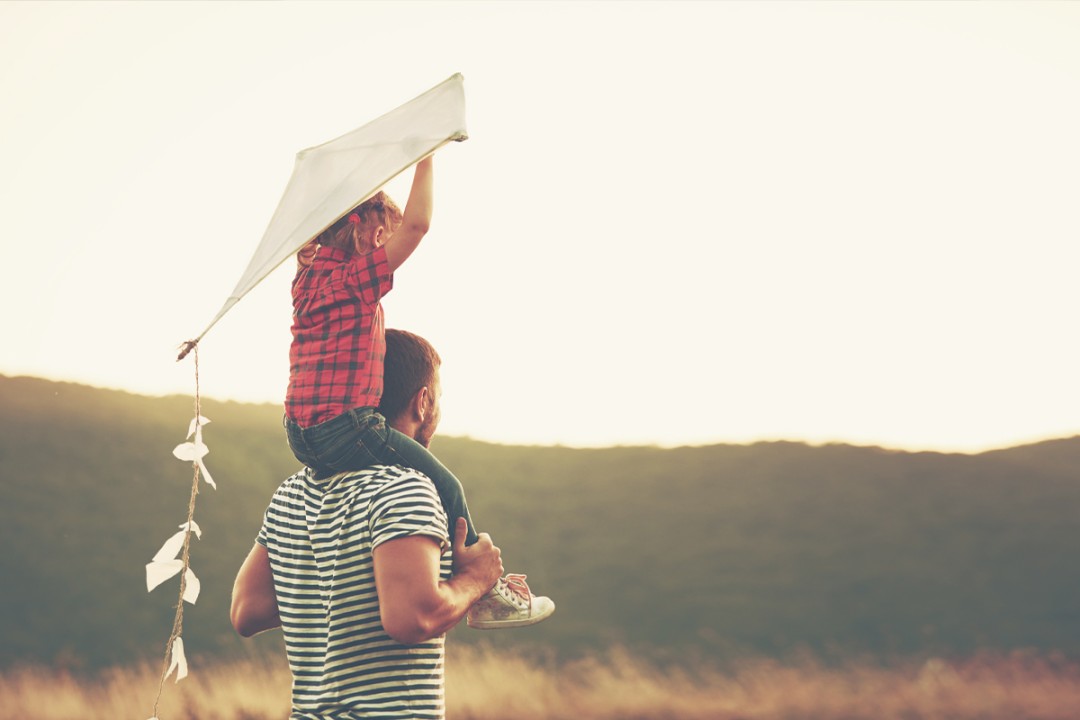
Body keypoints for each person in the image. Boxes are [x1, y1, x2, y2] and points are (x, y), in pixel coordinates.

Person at [231, 329, 555, 719]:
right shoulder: (405, 487)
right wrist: (475, 581)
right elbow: (411, 619)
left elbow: (247, 611)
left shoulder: (291, 493)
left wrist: (342, 586)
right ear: (423, 402)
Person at [283, 156, 550, 628]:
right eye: (382, 235)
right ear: (359, 228)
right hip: (346, 427)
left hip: (299, 434)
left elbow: (366, 230)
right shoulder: (353, 280)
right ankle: (485, 591)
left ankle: (419, 567)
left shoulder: (306, 280)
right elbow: (419, 225)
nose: (388, 244)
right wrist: (425, 156)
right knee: (447, 486)